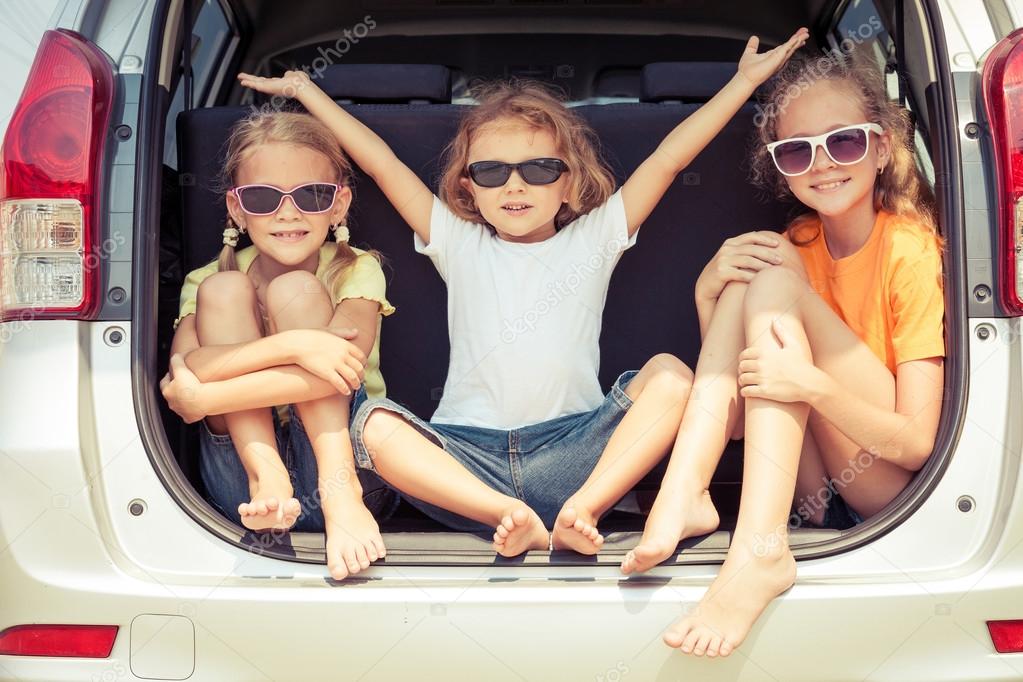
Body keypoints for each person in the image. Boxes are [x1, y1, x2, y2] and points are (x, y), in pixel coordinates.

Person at [236, 26, 807, 557]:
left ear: (570, 182)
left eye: (538, 170)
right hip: (463, 462)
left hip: (576, 452)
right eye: (491, 173)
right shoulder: (457, 243)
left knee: (673, 377)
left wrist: (744, 83)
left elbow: (670, 156)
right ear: (468, 188)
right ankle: (509, 515)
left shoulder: (595, 239)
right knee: (375, 423)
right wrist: (307, 92)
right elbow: (381, 164)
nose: (514, 185)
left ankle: (586, 508)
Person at [623, 52, 946, 657]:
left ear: (882, 148)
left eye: (844, 142)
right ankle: (689, 492)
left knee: (769, 269)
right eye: (797, 151)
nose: (822, 164)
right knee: (758, 265)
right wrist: (706, 297)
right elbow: (744, 422)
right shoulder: (798, 244)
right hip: (814, 491)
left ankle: (759, 551)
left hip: (885, 485)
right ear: (781, 170)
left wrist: (811, 385)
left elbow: (917, 443)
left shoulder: (910, 251)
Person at [161, 111, 396, 580]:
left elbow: (342, 368)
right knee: (224, 290)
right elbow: (188, 368)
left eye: (312, 195)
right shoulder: (205, 280)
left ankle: (339, 494)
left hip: (348, 467)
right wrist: (296, 343)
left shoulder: (356, 269)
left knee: (297, 290)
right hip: (250, 489)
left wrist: (207, 399)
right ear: (236, 208)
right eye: (264, 198)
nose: (288, 213)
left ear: (339, 204)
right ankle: (266, 470)